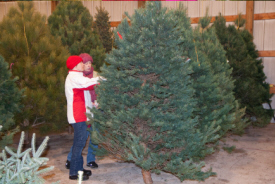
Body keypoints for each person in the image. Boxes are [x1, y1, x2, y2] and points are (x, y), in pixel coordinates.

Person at [65, 55, 100, 180]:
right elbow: (89, 83)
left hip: (82, 115)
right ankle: (74, 173)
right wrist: (102, 79)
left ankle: (79, 169)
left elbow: (87, 93)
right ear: (75, 65)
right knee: (79, 144)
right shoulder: (74, 77)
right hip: (77, 115)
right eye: (81, 63)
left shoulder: (79, 77)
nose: (83, 64)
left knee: (80, 143)